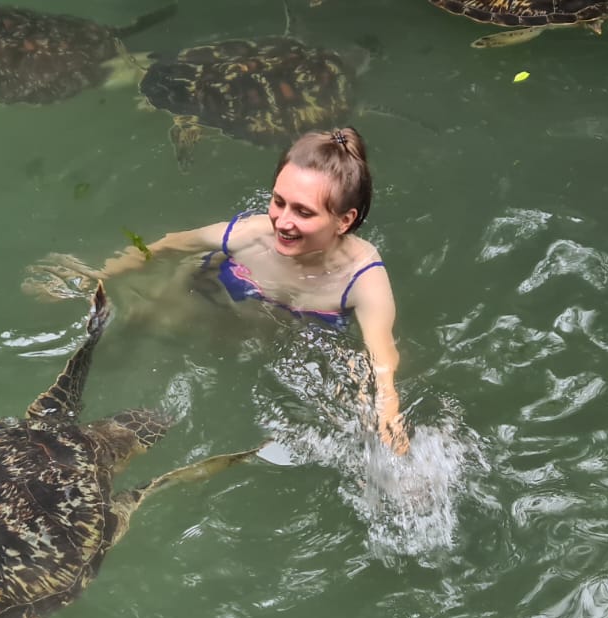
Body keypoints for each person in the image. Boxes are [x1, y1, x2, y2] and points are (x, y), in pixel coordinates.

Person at [25, 126, 409, 455]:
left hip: (286, 338)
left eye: (304, 212)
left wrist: (387, 416)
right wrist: (95, 277)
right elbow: (168, 246)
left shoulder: (363, 278)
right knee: (142, 324)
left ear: (344, 220)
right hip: (216, 302)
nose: (283, 222)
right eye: (278, 202)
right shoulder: (250, 235)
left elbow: (382, 358)